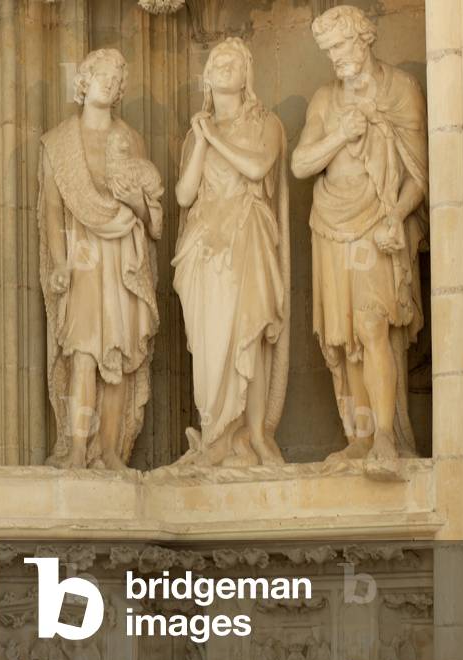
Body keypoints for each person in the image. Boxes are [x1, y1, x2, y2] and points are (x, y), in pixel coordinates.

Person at [292, 5, 427, 460]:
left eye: (342, 45)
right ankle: (361, 438)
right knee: (344, 337)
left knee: (373, 325)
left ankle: (387, 435)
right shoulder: (325, 100)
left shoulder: (401, 89)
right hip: (330, 223)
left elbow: (419, 172)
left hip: (376, 221)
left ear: (365, 38)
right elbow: (301, 164)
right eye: (328, 50)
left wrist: (396, 216)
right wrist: (339, 135)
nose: (336, 58)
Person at [39, 48, 163, 469]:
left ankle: (110, 451)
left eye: (115, 78)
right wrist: (59, 263)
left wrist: (137, 204)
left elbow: (149, 214)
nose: (108, 83)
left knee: (119, 356)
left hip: (123, 257)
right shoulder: (58, 143)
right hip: (84, 260)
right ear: (83, 81)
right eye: (101, 75)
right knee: (84, 354)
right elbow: (52, 211)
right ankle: (77, 447)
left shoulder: (131, 139)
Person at [173, 37, 289, 466]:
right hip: (204, 244)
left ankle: (254, 436)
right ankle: (214, 436)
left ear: (247, 76)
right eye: (216, 60)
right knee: (209, 342)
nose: (223, 65)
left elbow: (258, 167)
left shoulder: (267, 124)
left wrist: (215, 138)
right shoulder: (195, 137)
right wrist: (202, 139)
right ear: (205, 77)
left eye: (233, 61)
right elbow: (184, 195)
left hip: (246, 234)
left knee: (249, 336)